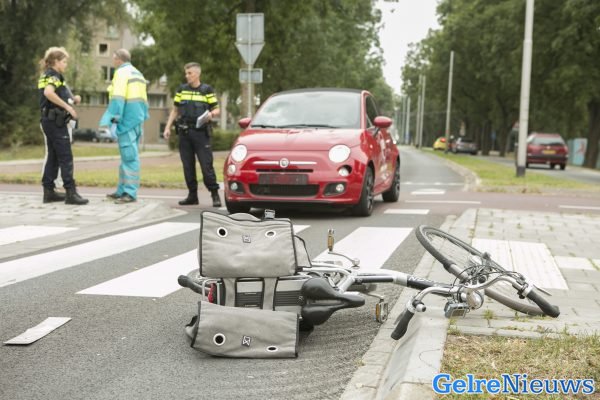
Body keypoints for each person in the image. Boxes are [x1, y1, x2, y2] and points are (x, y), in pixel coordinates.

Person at [163, 62, 221, 207]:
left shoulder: (206, 90)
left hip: (201, 134)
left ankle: (214, 194)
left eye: (190, 73)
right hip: (185, 134)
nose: (187, 76)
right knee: (188, 166)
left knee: (206, 166)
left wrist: (211, 114)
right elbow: (175, 110)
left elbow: (217, 109)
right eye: (186, 73)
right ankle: (192, 196)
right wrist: (167, 128)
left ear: (197, 74)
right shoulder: (181, 90)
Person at [38, 46, 88, 205]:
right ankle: (71, 193)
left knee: (53, 156)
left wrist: (73, 99)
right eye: (64, 61)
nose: (66, 64)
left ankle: (49, 192)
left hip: (49, 120)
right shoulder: (54, 75)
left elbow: (56, 94)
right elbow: (48, 93)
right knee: (65, 156)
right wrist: (68, 107)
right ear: (55, 61)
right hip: (55, 122)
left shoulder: (47, 75)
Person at [100, 49, 149, 204]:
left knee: (129, 158)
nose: (113, 62)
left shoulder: (121, 73)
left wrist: (112, 119)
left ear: (119, 59)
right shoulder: (138, 73)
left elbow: (118, 98)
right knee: (126, 158)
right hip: (136, 120)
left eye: (113, 59)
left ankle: (130, 193)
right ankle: (122, 191)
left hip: (126, 121)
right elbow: (144, 100)